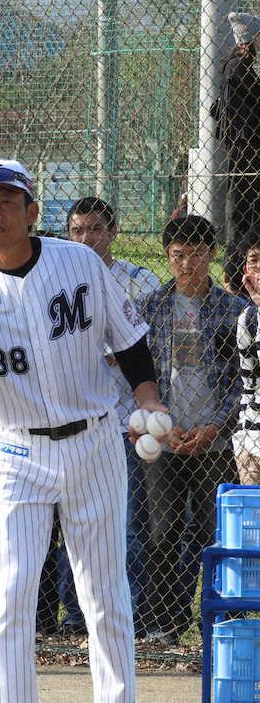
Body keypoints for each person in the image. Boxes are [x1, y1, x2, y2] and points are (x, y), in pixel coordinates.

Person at [0, 159, 167, 702]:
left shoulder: (81, 264)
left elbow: (130, 339)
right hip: (16, 451)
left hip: (94, 442)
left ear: (32, 212)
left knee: (105, 596)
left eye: (7, 202)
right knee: (14, 594)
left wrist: (147, 396)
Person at [34, 196, 161, 638]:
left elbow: (141, 344)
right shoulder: (56, 279)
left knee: (128, 527)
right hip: (75, 420)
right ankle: (75, 618)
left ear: (113, 232)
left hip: (129, 420)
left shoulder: (140, 280)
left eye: (95, 229)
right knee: (73, 526)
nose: (86, 238)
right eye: (77, 230)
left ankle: (131, 617)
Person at [137, 215, 246, 646]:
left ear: (212, 254)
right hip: (164, 439)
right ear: (167, 257)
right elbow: (139, 373)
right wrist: (161, 425)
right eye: (178, 255)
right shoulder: (152, 307)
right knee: (162, 531)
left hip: (215, 442)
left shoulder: (236, 311)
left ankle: (214, 622)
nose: (187, 265)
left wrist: (214, 425)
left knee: (209, 532)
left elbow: (243, 379)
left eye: (197, 254)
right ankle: (162, 626)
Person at [213, 13, 260, 240]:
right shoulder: (238, 66)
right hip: (245, 142)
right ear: (250, 40)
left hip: (245, 141)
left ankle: (245, 240)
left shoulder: (237, 65)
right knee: (242, 195)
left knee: (246, 194)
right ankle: (238, 243)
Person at [234, 229, 260, 484]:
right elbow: (248, 382)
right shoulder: (248, 319)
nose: (259, 267)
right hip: (254, 435)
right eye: (254, 260)